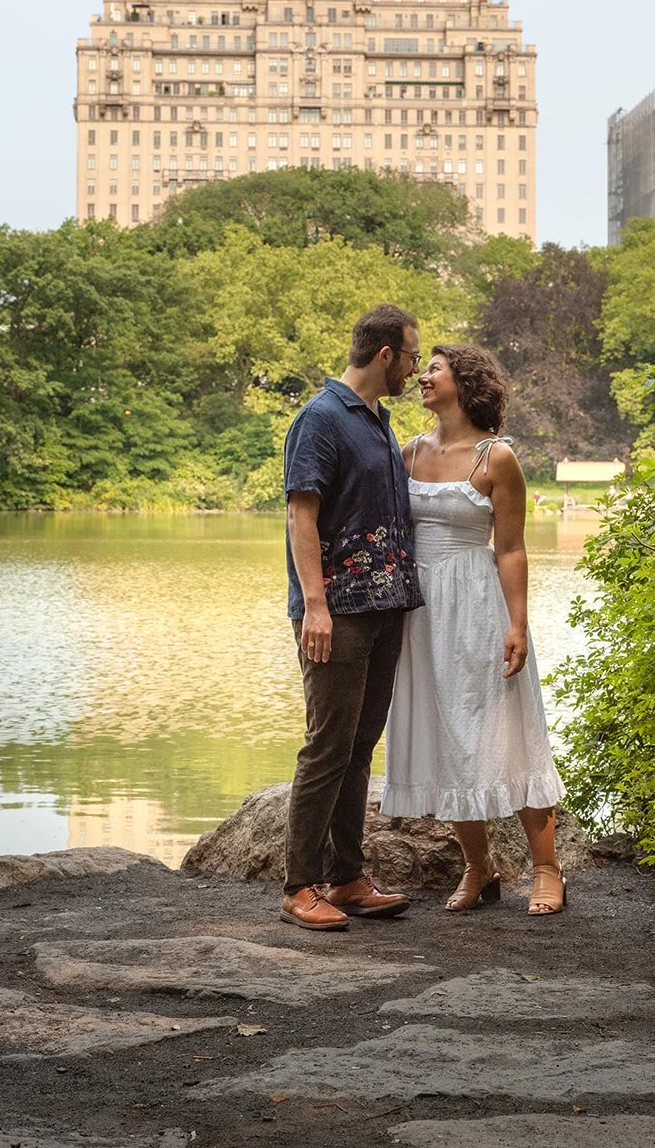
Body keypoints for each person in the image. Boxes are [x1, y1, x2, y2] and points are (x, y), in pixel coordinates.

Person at [381, 343, 567, 916]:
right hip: (420, 612)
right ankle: (478, 867)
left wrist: (518, 624)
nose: (422, 377)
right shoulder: (408, 453)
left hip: (478, 607)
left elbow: (510, 549)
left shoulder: (497, 458)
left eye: (433, 368)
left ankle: (545, 868)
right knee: (446, 733)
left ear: (465, 382)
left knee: (504, 730)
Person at [280, 304, 424, 931]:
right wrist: (315, 604)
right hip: (337, 612)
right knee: (328, 746)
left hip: (385, 607)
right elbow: (300, 515)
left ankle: (345, 878)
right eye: (413, 356)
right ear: (386, 354)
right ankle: (298, 886)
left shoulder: (378, 421)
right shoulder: (321, 419)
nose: (417, 369)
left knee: (361, 746)